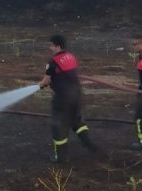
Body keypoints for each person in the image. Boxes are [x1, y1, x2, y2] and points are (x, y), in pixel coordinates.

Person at [38, 35, 101, 163]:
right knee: (76, 121)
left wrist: (40, 85)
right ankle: (89, 144)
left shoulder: (52, 62)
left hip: (62, 98)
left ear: (58, 46)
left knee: (58, 126)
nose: (50, 48)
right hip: (77, 95)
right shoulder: (71, 57)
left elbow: (46, 80)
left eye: (51, 45)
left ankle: (61, 157)